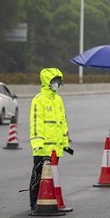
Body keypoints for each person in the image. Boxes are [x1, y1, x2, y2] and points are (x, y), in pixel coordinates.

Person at [29, 68, 71, 210]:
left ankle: (50, 201)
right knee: (38, 176)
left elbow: (62, 123)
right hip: (42, 148)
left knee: (52, 178)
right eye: (55, 81)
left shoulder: (58, 100)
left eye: (59, 81)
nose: (57, 84)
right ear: (47, 82)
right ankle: (34, 202)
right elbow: (36, 123)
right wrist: (37, 143)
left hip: (55, 148)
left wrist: (65, 143)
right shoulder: (38, 100)